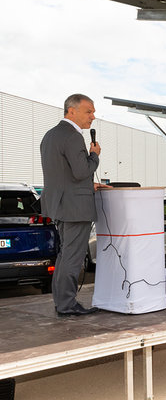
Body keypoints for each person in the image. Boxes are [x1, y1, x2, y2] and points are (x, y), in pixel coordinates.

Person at [39, 93, 105, 316]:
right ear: (71, 111)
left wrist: (89, 185)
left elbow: (62, 174)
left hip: (60, 205)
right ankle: (67, 305)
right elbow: (81, 171)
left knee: (65, 255)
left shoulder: (50, 135)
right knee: (73, 257)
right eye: (89, 111)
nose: (93, 117)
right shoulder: (73, 136)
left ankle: (62, 303)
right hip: (75, 208)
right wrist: (94, 156)